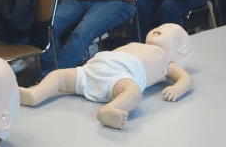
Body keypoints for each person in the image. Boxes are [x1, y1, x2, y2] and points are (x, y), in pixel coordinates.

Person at [19, 23, 194, 130]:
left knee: (133, 93)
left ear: (181, 50)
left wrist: (177, 89)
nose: (158, 30)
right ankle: (35, 94)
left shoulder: (167, 61)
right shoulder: (139, 44)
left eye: (167, 31)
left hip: (121, 76)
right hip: (94, 66)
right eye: (159, 28)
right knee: (59, 76)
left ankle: (111, 109)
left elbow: (186, 79)